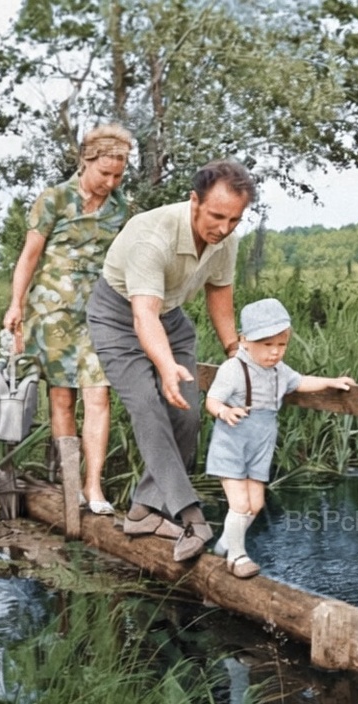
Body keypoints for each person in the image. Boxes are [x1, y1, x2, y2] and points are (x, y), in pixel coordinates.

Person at [86, 159, 255, 561]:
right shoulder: (152, 236)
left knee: (188, 416)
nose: (224, 228)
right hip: (118, 317)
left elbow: (220, 294)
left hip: (171, 318)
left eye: (234, 219)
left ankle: (143, 511)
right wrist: (164, 367)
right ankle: (192, 517)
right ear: (194, 201)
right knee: (148, 406)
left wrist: (235, 352)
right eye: (216, 217)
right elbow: (143, 315)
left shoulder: (225, 239)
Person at [2, 123, 133, 516]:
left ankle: (94, 486)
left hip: (99, 313)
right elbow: (29, 256)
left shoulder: (120, 208)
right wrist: (15, 305)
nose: (110, 183)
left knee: (99, 395)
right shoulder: (54, 199)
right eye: (104, 173)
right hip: (52, 313)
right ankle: (71, 482)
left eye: (118, 175)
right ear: (85, 161)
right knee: (62, 397)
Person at [204, 298, 355, 578]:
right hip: (233, 443)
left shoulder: (279, 371)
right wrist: (225, 411)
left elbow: (300, 382)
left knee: (256, 504)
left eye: (281, 345)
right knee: (240, 504)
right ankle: (237, 556)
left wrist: (330, 382)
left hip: (261, 444)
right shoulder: (233, 369)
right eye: (266, 344)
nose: (274, 352)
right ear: (244, 340)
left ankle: (224, 544)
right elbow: (212, 400)